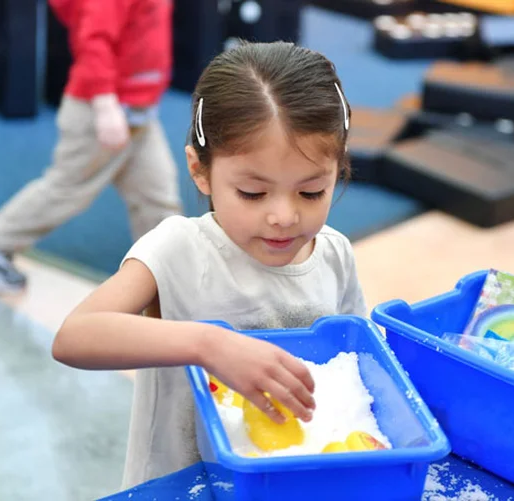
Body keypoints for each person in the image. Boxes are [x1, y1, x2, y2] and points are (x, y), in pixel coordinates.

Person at [51, 41, 367, 490]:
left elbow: (357, 365)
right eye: (253, 194)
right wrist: (208, 344)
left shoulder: (334, 254)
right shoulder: (179, 249)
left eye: (311, 192)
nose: (284, 215)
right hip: (180, 485)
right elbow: (74, 337)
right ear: (200, 171)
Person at [0, 0, 182, 294]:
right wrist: (105, 106)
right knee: (67, 189)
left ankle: (170, 279)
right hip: (103, 110)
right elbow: (93, 39)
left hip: (140, 112)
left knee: (157, 198)